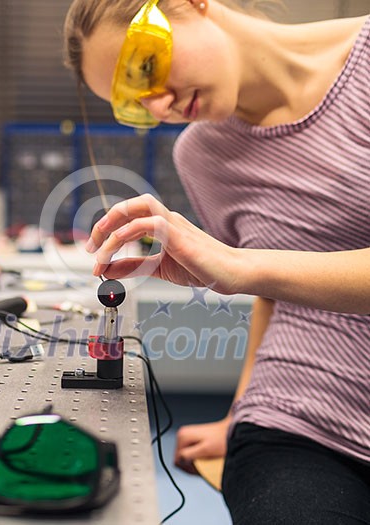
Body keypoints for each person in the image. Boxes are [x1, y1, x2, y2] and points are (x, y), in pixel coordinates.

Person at [63, 0, 370, 523]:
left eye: (144, 68)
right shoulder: (202, 154)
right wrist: (237, 414)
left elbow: (256, 273)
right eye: (133, 103)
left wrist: (241, 267)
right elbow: (277, 296)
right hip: (297, 425)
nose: (158, 107)